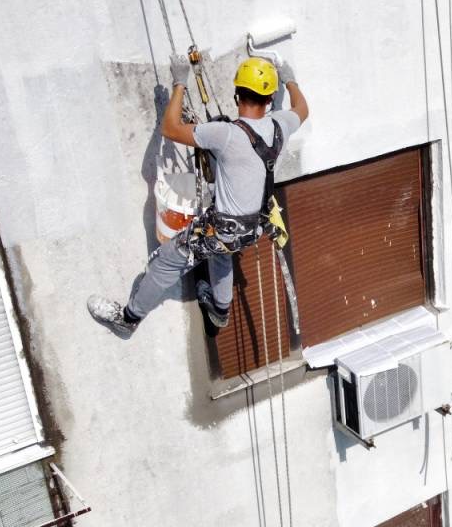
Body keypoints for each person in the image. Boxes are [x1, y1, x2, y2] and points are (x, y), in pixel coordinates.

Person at [87, 53, 310, 337]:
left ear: (237, 94)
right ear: (269, 100)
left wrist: (180, 82)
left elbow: (170, 128)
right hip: (254, 227)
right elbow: (302, 107)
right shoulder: (282, 125)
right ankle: (219, 309)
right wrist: (289, 78)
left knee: (165, 262)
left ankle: (127, 320)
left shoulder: (225, 133)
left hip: (224, 228)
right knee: (220, 252)